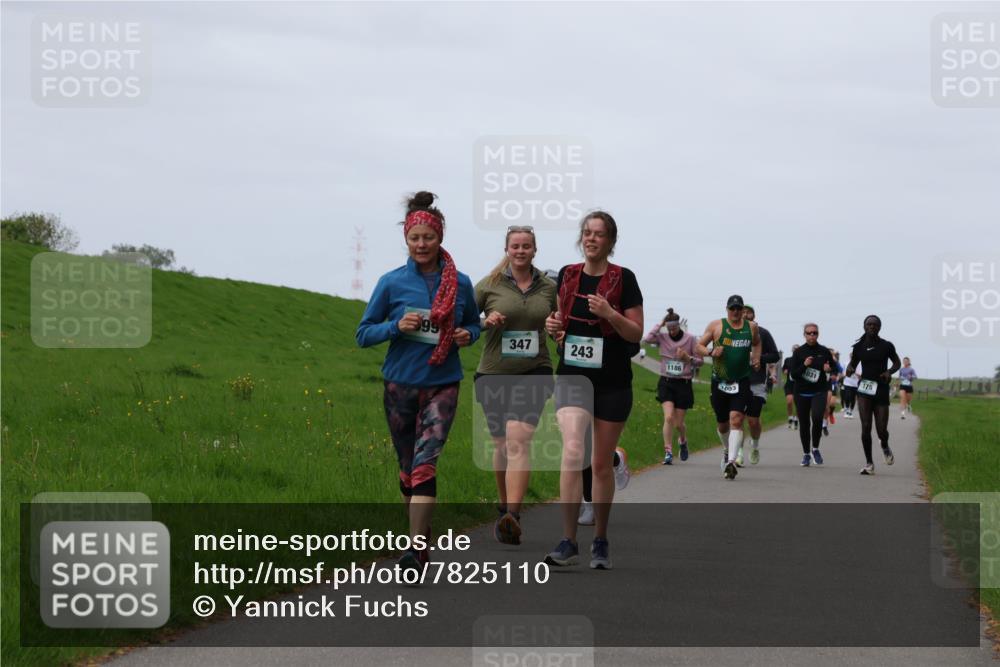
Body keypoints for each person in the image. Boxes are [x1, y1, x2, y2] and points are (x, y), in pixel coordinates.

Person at [355, 191, 481, 572]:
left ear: (440, 237)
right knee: (408, 467)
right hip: (400, 385)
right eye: (415, 238)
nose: (422, 244)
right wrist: (396, 326)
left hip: (443, 382)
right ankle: (420, 537)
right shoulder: (391, 283)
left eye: (429, 237)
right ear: (406, 241)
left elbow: (473, 322)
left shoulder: (460, 283)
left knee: (426, 464)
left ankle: (412, 550)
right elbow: (363, 334)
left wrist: (467, 335)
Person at [543, 211, 643, 569]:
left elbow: (635, 333)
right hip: (572, 375)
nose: (591, 239)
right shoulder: (569, 276)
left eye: (599, 234)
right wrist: (553, 325)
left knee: (600, 464)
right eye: (586, 233)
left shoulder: (624, 279)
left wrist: (610, 314)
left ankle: (600, 539)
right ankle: (568, 539)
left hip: (613, 380)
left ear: (610, 241)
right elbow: (560, 325)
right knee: (572, 452)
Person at [474, 225, 557, 545]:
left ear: (535, 250)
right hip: (494, 373)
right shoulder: (489, 285)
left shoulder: (549, 288)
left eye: (526, 246)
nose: (521, 251)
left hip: (535, 371)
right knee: (501, 446)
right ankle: (503, 506)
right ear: (507, 250)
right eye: (515, 246)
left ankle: (514, 515)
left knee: (518, 440)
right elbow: (464, 319)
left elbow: (559, 324)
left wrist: (557, 328)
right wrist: (485, 321)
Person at [695, 295, 762, 480]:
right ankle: (726, 450)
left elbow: (757, 343)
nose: (735, 312)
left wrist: (756, 358)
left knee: (736, 419)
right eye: (732, 308)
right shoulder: (716, 326)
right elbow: (698, 346)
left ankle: (732, 461)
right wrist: (710, 352)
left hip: (741, 381)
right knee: (723, 424)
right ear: (727, 309)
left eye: (738, 309)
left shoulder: (751, 327)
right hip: (720, 381)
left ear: (743, 310)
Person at [644, 308, 703, 465]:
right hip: (666, 382)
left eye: (674, 327)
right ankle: (668, 451)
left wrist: (687, 357)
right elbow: (648, 339)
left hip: (683, 383)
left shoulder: (690, 339)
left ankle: (683, 441)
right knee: (668, 417)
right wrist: (660, 324)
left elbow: (700, 361)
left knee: (678, 424)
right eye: (669, 328)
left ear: (679, 326)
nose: (671, 331)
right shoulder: (662, 337)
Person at [845, 315, 901, 475]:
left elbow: (896, 362)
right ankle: (869, 463)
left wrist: (889, 372)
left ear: (879, 327)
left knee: (881, 429)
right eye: (869, 324)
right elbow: (853, 364)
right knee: (866, 426)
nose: (871, 327)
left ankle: (884, 445)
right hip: (864, 389)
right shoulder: (858, 347)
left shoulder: (886, 345)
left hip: (881, 388)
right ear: (864, 326)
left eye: (875, 325)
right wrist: (849, 368)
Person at [791, 323, 837, 467]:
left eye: (814, 333)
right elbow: (793, 374)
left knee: (817, 418)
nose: (812, 335)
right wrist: (804, 365)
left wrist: (829, 369)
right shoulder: (798, 352)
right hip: (801, 392)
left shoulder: (823, 351)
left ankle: (815, 449)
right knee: (804, 423)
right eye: (809, 333)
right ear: (804, 335)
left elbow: (834, 368)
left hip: (819, 390)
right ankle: (806, 454)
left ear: (818, 334)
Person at [739, 305, 780, 466]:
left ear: (753, 315)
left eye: (747, 312)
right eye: (741, 312)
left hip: (756, 382)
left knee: (753, 421)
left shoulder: (763, 333)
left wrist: (758, 358)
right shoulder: (731, 333)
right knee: (737, 419)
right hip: (736, 381)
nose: (744, 315)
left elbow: (775, 355)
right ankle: (739, 452)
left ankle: (755, 446)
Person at [781, 346, 799, 429]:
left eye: (797, 349)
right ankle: (790, 417)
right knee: (789, 401)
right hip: (789, 384)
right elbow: (784, 368)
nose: (795, 350)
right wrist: (785, 371)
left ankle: (796, 418)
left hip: (799, 384)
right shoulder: (788, 360)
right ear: (792, 350)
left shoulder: (802, 360)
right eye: (794, 349)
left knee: (798, 404)